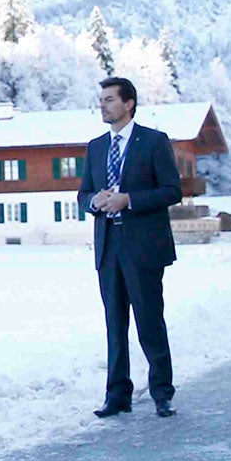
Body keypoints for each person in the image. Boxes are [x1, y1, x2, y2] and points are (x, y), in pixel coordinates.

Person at [76, 75, 184, 418]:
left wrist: (129, 200)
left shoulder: (153, 142)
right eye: (102, 99)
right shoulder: (95, 147)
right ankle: (117, 395)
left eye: (109, 99)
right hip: (109, 248)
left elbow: (171, 191)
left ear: (128, 104)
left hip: (144, 247)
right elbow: (82, 195)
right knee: (114, 323)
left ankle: (162, 393)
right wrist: (95, 200)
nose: (103, 105)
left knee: (150, 322)